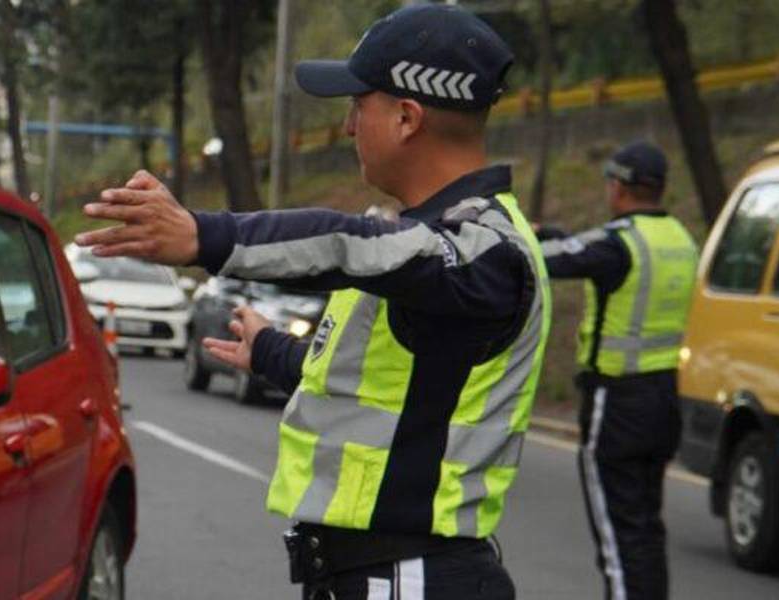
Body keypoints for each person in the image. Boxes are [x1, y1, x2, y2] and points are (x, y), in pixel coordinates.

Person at [77, 5, 550, 599]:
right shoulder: (434, 241)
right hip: (375, 574)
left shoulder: (483, 248)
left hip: (411, 579)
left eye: (359, 104)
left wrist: (204, 236)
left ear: (407, 117)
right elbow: (397, 388)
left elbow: (347, 244)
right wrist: (272, 352)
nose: (349, 126)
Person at [535, 141, 698, 600]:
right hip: (666, 399)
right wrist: (554, 231)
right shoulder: (682, 240)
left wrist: (530, 235)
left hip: (617, 404)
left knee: (616, 541)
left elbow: (553, 258)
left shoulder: (619, 241)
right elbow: (583, 247)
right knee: (645, 531)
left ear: (618, 186)